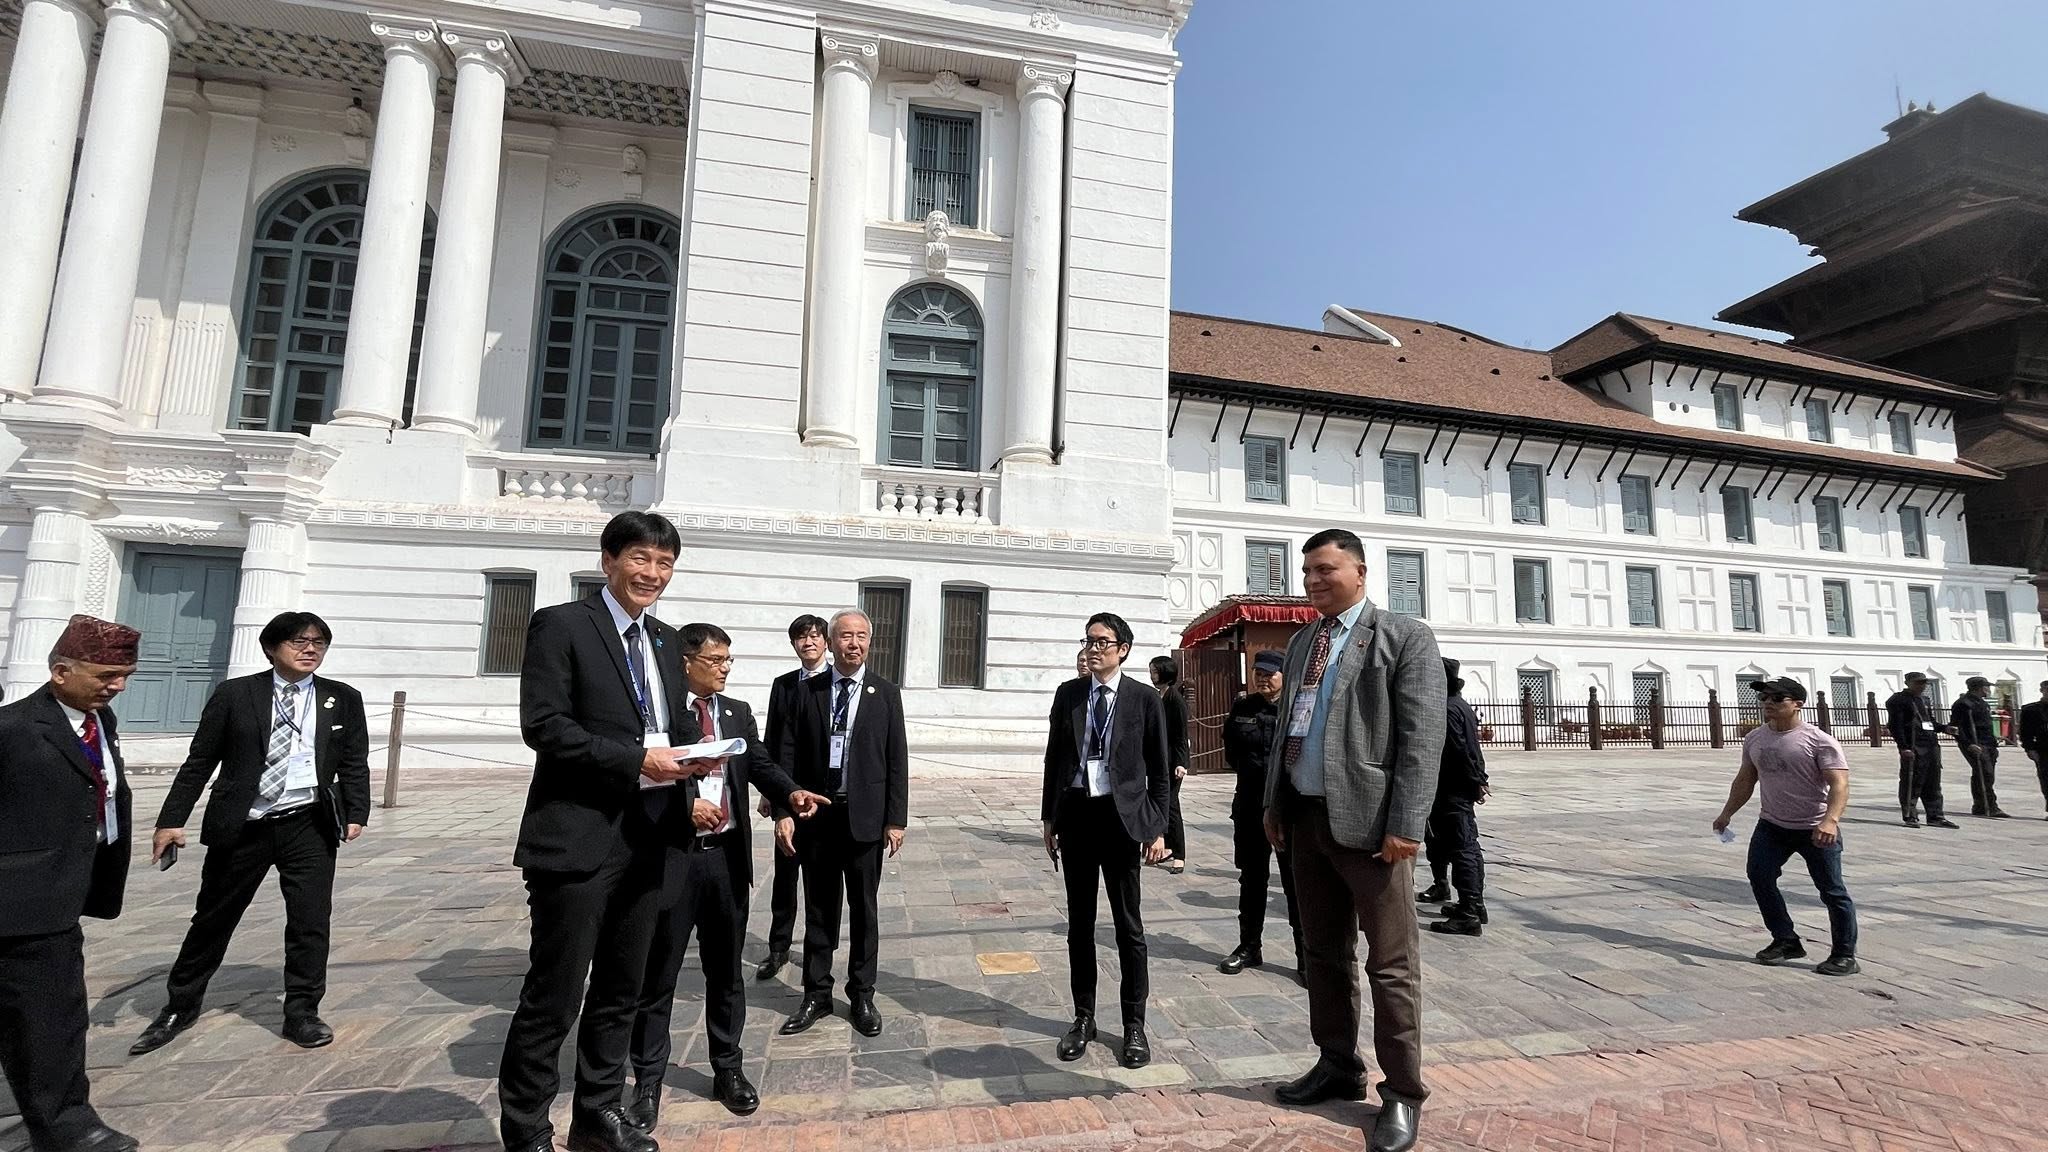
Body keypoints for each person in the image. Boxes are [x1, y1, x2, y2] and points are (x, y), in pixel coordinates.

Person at [498, 511, 708, 1152]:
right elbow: (545, 726)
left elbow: (667, 726)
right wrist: (635, 760)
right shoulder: (562, 625)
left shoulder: (667, 641)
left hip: (650, 836)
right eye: (641, 558)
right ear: (609, 560)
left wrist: (698, 761)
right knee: (556, 994)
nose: (653, 574)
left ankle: (597, 1116)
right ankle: (527, 1128)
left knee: (622, 989)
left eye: (665, 564)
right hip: (580, 837)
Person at [1263, 529, 1443, 1152]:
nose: (1313, 580)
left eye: (1325, 569)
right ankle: (1337, 1063)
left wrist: (1406, 824)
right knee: (1322, 954)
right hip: (1306, 821)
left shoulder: (1403, 637)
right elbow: (1289, 726)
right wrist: (1274, 802)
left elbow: (1422, 738)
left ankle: (1403, 1093)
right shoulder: (1302, 641)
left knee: (1391, 965)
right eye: (1307, 571)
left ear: (1360, 572)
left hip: (1372, 829)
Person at [132, 611, 372, 1057]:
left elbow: (354, 759)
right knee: (214, 918)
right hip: (245, 824)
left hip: (308, 823)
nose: (310, 649)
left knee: (310, 921)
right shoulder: (236, 694)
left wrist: (357, 811)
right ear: (270, 648)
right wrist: (171, 819)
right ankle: (180, 1005)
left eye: (319, 642)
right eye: (298, 641)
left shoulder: (340, 698)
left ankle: (302, 1011)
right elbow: (200, 760)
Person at [628, 624, 827, 1126]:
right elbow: (644, 778)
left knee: (726, 975)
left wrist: (789, 793)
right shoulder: (661, 714)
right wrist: (685, 808)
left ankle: (728, 1068)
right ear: (686, 662)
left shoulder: (735, 712)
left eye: (728, 660)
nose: (724, 668)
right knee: (659, 976)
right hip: (675, 859)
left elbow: (758, 762)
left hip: (726, 862)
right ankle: (647, 1082)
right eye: (715, 660)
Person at [0, 616, 140, 1152]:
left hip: (60, 895)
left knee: (50, 1015)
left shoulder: (98, 720)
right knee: (46, 1019)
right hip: (20, 899)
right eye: (106, 675)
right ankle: (66, 1128)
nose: (117, 686)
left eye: (125, 676)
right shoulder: (13, 729)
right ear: (61, 672)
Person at [1041, 613, 1173, 1068]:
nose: (1093, 649)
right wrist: (1048, 817)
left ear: (1123, 650)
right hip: (1078, 815)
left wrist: (1158, 828)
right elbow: (1055, 758)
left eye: (1102, 642)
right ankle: (1083, 1017)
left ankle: (1134, 1024)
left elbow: (1159, 768)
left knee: (1128, 927)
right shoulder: (1070, 694)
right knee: (1079, 924)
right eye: (1088, 641)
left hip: (1122, 819)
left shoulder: (1143, 698)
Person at [775, 609, 909, 1039]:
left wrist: (895, 819)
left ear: (870, 642)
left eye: (862, 636)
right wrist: (784, 809)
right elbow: (788, 753)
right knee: (819, 909)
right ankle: (816, 993)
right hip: (817, 818)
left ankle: (862, 993)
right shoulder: (808, 691)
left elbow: (897, 758)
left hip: (865, 819)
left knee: (864, 910)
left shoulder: (884, 693)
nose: (855, 644)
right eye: (846, 636)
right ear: (831, 643)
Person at [1712, 678, 1859, 977]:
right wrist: (1727, 813)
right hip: (1772, 825)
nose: (1768, 702)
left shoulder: (1819, 741)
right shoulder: (1755, 738)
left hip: (1814, 828)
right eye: (1764, 697)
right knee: (1759, 877)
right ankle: (1785, 940)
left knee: (1832, 891)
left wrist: (1830, 820)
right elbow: (1746, 779)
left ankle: (1844, 955)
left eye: (1777, 698)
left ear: (1797, 704)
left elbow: (1839, 784)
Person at [754, 613, 829, 982]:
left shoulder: (837, 683)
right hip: (787, 792)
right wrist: (770, 791)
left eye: (814, 636)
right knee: (784, 877)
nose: (808, 642)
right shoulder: (783, 685)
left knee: (819, 883)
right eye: (801, 637)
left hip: (824, 800)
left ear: (826, 641)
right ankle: (778, 947)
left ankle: (818, 953)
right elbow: (773, 740)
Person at [1220, 649, 1302, 980]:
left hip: (1288, 809)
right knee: (1252, 879)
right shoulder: (1243, 707)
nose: (1262, 678)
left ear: (1284, 676)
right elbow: (1231, 753)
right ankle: (1249, 947)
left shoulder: (1297, 707)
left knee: (1295, 883)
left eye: (1270, 673)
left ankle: (1305, 956)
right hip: (1249, 805)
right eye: (1258, 672)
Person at [1422, 659, 1489, 937]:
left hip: (1452, 788)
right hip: (1459, 786)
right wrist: (1479, 778)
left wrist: (1475, 780)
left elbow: (1459, 750)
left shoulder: (1448, 709)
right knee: (1466, 845)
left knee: (1463, 848)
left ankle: (1469, 912)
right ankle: (1474, 904)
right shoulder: (1460, 706)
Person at [1885, 672, 1957, 829]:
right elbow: (1896, 726)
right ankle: (1910, 815)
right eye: (1918, 682)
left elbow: (1930, 722)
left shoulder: (1924, 700)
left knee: (1933, 783)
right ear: (1908, 683)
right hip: (1913, 746)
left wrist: (1944, 728)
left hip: (1930, 745)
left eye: (1924, 683)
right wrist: (1903, 747)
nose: (1922, 686)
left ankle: (1935, 816)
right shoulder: (1898, 700)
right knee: (1912, 782)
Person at [1148, 655, 1191, 875]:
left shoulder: (1175, 699)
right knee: (1161, 803)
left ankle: (1180, 855)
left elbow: (1181, 735)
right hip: (1159, 759)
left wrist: (1182, 763)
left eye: (1155, 671)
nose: (1152, 675)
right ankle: (1168, 846)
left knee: (1171, 806)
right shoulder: (1159, 695)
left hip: (1173, 761)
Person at [1951, 677, 2008, 818]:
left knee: (1985, 774)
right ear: (1979, 688)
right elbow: (1957, 727)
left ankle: (1980, 805)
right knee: (1984, 773)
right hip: (1974, 743)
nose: (1988, 690)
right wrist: (1968, 744)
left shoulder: (1982, 703)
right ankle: (1989, 805)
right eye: (1986, 687)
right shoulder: (1963, 704)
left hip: (1988, 742)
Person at [2023, 680, 2047, 817]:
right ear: (2042, 690)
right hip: (2043, 749)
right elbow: (2025, 732)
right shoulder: (2031, 710)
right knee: (2046, 779)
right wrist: (2029, 748)